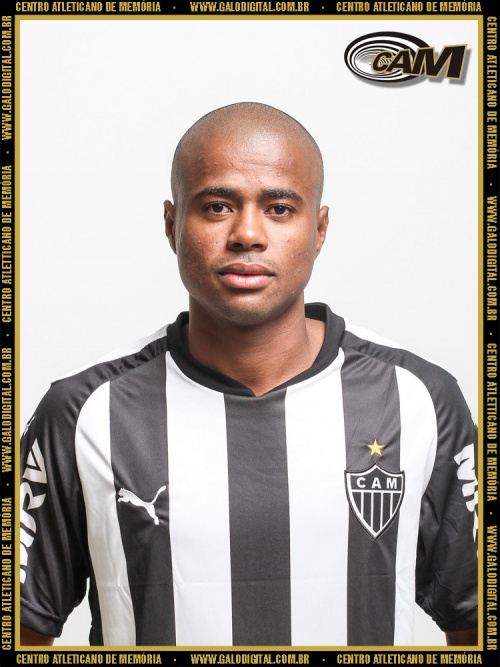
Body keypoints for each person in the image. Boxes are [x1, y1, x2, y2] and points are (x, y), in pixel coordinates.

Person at [20, 102, 478, 648]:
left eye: (280, 209)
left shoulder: (419, 399)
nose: (248, 234)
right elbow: (24, 630)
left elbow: (474, 620)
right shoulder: (83, 412)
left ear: (319, 229)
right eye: (217, 206)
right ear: (172, 225)